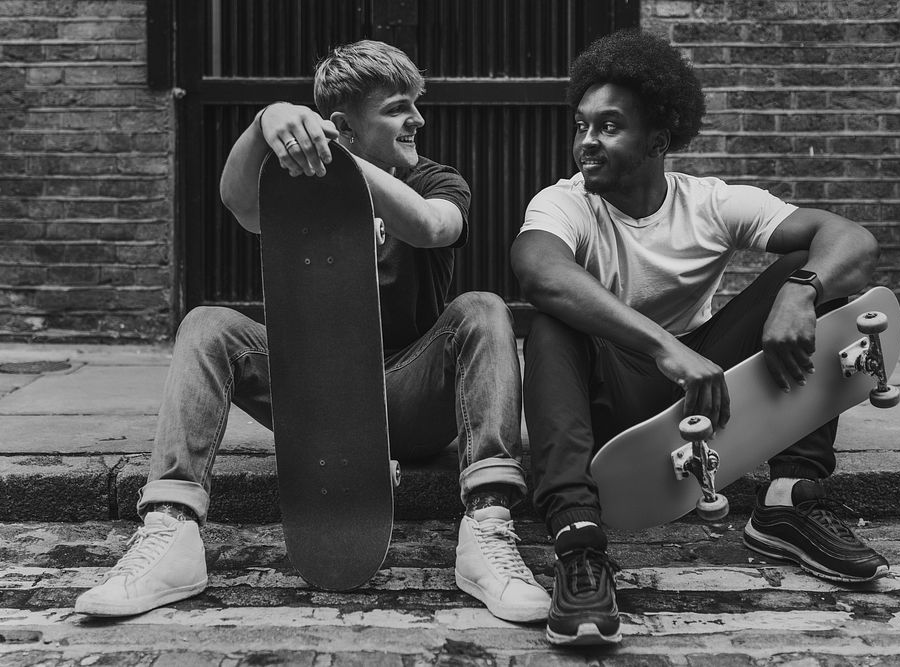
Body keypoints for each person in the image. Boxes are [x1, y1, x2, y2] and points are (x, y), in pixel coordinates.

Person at [75, 39, 549, 624]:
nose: (417, 119)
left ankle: (487, 526)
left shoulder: (436, 179)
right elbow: (238, 202)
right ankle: (171, 531)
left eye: (415, 106)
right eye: (398, 108)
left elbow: (434, 227)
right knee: (206, 325)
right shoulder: (294, 181)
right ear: (344, 124)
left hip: (409, 394)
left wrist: (345, 165)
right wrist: (264, 121)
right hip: (316, 400)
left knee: (483, 307)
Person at [511, 30, 889, 646]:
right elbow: (539, 272)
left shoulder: (709, 202)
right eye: (581, 125)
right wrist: (667, 348)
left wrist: (801, 289)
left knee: (823, 289)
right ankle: (578, 543)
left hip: (705, 390)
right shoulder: (566, 204)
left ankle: (789, 501)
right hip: (614, 400)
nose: (586, 142)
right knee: (552, 320)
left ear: (659, 139)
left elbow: (852, 239)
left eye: (608, 127)